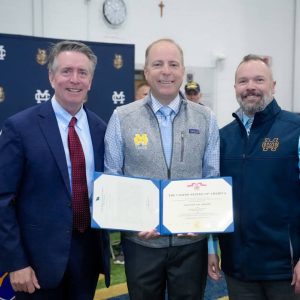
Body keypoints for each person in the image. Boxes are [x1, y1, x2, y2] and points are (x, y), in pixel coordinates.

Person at [104, 38, 220, 300]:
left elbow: (212, 179)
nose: (166, 71)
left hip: (192, 244)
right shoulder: (122, 117)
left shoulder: (206, 118)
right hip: (140, 243)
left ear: (182, 70)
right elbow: (113, 178)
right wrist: (132, 223)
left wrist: (208, 236)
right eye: (157, 64)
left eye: (173, 64)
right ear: (146, 72)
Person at [0, 40, 110, 299]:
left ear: (91, 81)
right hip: (36, 263)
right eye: (66, 71)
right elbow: (3, 199)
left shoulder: (101, 129)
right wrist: (16, 262)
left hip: (88, 256)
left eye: (82, 73)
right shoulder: (20, 127)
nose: (75, 79)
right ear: (51, 77)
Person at [218, 54, 300, 299]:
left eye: (259, 79)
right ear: (235, 88)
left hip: (285, 270)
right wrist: (213, 248)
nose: (250, 86)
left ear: (273, 85)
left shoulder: (295, 130)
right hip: (238, 270)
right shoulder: (223, 137)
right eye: (243, 81)